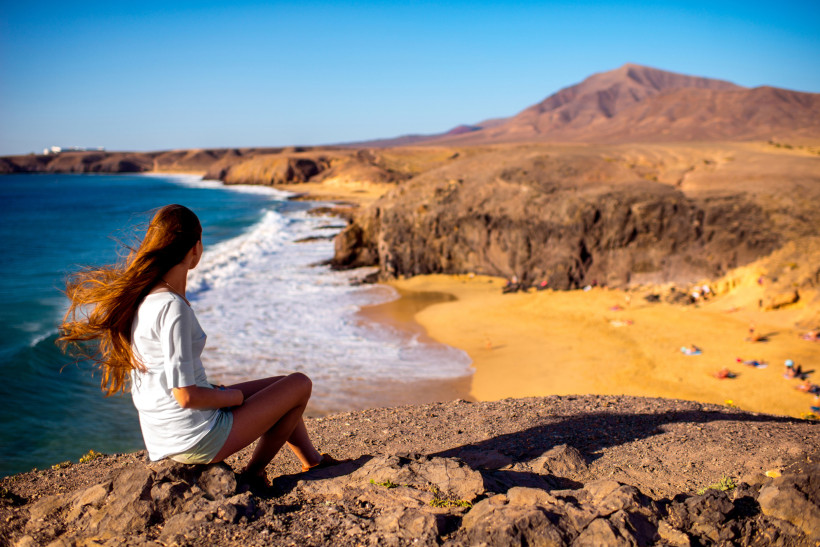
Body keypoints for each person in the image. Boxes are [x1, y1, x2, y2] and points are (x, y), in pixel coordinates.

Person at [59, 204, 342, 484]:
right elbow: (186, 396)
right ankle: (253, 474)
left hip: (165, 434)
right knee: (300, 384)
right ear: (195, 249)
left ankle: (313, 462)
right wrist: (232, 398)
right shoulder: (172, 307)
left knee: (281, 385)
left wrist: (220, 393)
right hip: (194, 437)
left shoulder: (146, 298)